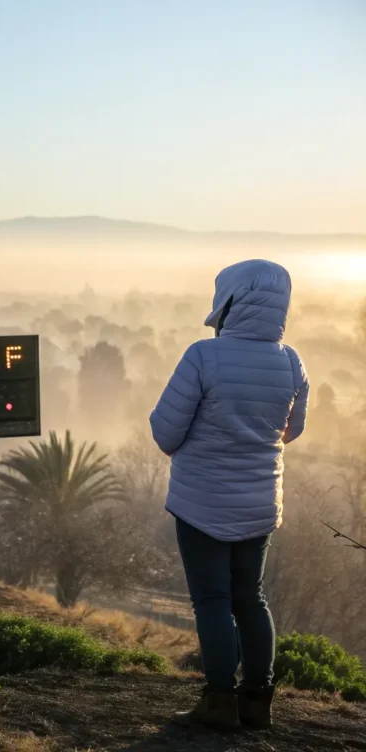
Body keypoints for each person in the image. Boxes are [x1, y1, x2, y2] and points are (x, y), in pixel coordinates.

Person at [149, 259, 309, 730]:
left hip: (201, 503)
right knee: (250, 598)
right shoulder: (291, 362)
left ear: (229, 301)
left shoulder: (203, 356)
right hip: (259, 503)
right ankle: (257, 701)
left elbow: (165, 432)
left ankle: (219, 701)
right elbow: (292, 431)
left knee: (213, 600)